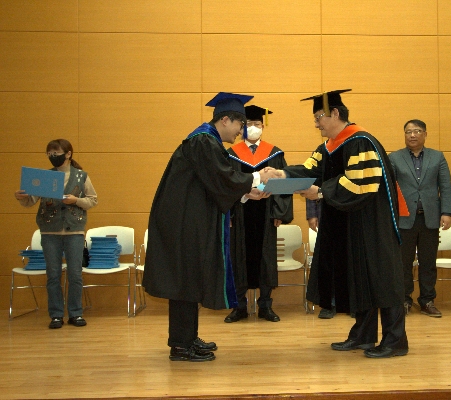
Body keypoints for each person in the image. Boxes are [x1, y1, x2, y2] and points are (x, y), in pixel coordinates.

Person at [269, 89, 410, 358]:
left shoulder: (361, 142)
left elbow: (362, 183)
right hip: (350, 224)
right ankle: (363, 335)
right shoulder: (329, 147)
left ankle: (395, 341)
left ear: (335, 113)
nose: (316, 124)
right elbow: (310, 170)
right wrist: (281, 174)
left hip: (372, 224)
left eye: (319, 117)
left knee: (382, 280)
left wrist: (322, 192)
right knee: (360, 279)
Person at [142, 92, 278, 362]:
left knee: (189, 281)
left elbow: (213, 184)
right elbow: (222, 177)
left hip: (187, 222)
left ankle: (188, 337)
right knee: (183, 283)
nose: (241, 132)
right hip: (183, 225)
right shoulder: (203, 141)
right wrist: (256, 177)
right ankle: (181, 346)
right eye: (240, 125)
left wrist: (245, 194)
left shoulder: (206, 141)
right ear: (225, 120)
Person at [15, 139, 98, 329]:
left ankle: (76, 313)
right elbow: (30, 201)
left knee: (75, 274)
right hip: (49, 231)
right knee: (53, 274)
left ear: (68, 154)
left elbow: (93, 200)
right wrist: (21, 197)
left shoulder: (81, 176)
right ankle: (56, 315)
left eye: (56, 153)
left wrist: (76, 200)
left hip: (74, 231)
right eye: (49, 154)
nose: (53, 157)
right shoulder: (45, 177)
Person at [225, 105, 293, 323]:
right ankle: (239, 307)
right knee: (238, 259)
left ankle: (265, 305)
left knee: (266, 258)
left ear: (263, 126)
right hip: (240, 214)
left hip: (266, 214)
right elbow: (226, 184)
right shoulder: (231, 154)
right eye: (249, 124)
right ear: (242, 127)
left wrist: (279, 212)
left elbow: (283, 184)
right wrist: (229, 214)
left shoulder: (275, 153)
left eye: (257, 124)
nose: (253, 128)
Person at [389, 119, 451, 318]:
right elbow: (390, 189)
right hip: (404, 219)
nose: (412, 135)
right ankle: (404, 300)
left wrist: (447, 212)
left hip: (430, 218)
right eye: (408, 132)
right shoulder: (394, 158)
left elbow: (445, 186)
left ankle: (427, 300)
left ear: (425, 134)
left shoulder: (437, 157)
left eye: (417, 131)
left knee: (428, 262)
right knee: (403, 263)